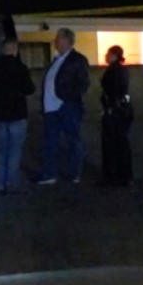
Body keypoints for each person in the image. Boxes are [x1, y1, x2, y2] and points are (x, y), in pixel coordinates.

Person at [38, 28, 90, 185]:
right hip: (51, 108)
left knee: (72, 140)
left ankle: (74, 173)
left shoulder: (77, 60)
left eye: (59, 39)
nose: (56, 42)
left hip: (66, 106)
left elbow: (83, 83)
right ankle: (50, 174)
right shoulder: (57, 60)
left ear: (67, 41)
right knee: (51, 142)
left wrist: (69, 98)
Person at [0, 37, 36, 193]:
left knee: (1, 151)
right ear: (14, 49)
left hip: (1, 115)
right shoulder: (20, 67)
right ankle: (11, 182)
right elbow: (30, 89)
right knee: (15, 151)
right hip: (17, 114)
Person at [100, 45, 133, 186]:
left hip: (115, 111)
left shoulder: (114, 71)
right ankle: (124, 175)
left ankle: (114, 175)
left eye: (108, 54)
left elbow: (113, 90)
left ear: (113, 55)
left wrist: (109, 107)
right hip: (122, 110)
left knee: (111, 143)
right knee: (121, 143)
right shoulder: (122, 70)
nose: (106, 56)